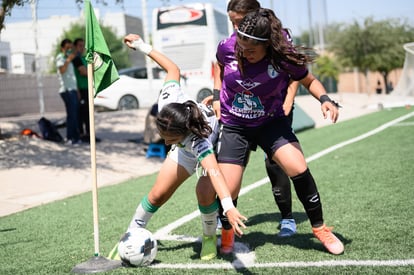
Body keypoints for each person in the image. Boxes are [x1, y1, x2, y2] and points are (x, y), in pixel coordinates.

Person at [215, 8, 344, 255]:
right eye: (242, 47)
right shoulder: (226, 47)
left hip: (270, 122)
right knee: (229, 189)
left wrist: (325, 99)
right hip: (235, 125)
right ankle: (227, 232)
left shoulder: (283, 58)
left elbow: (309, 80)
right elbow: (220, 68)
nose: (245, 53)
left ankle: (320, 228)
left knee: (297, 166)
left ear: (267, 47)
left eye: (252, 50)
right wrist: (215, 97)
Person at [121, 33, 247, 261]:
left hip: (218, 142)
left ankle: (209, 237)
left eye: (171, 139)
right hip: (185, 148)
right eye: (164, 136)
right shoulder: (168, 102)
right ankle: (130, 234)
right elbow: (173, 69)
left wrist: (227, 206)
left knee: (204, 191)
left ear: (185, 132)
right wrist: (141, 46)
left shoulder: (198, 140)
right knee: (158, 194)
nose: (166, 142)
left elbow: (215, 172)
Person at [208, 0, 298, 239]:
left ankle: (287, 218)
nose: (236, 27)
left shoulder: (278, 39)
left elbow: (298, 71)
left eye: (239, 21)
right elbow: (219, 68)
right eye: (232, 22)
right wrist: (217, 96)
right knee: (234, 163)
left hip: (274, 111)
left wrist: (289, 98)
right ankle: (226, 218)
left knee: (275, 163)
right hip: (241, 116)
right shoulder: (231, 44)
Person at [56, 38, 80, 145]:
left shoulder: (70, 59)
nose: (69, 50)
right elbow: (62, 70)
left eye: (71, 48)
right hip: (66, 90)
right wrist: (68, 60)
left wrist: (77, 90)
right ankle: (70, 138)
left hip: (73, 90)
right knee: (71, 115)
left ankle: (75, 137)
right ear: (62, 48)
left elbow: (72, 77)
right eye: (67, 48)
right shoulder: (61, 57)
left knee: (75, 115)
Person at [72, 38, 92, 143]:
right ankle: (82, 134)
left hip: (87, 89)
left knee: (88, 113)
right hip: (80, 90)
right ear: (75, 47)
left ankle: (89, 134)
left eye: (83, 45)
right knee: (81, 113)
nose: (82, 48)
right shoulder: (76, 59)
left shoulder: (84, 58)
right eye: (79, 45)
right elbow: (84, 72)